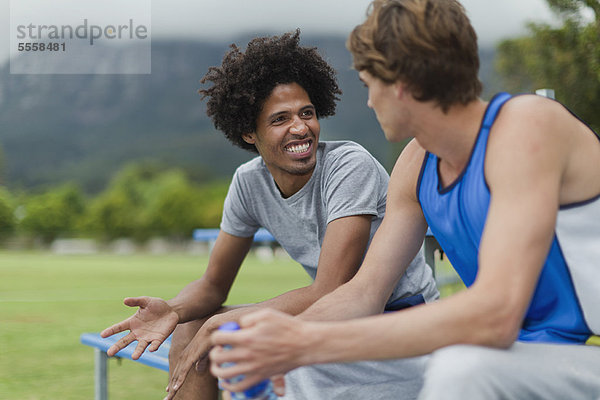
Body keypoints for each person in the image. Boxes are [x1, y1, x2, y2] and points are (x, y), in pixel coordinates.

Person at [209, 1, 600, 399]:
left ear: (400, 82)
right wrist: (291, 339)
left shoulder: (527, 126)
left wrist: (303, 342)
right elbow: (363, 293)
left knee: (465, 370)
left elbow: (495, 315)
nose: (369, 102)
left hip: (576, 353)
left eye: (368, 84)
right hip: (534, 358)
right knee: (300, 371)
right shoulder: (416, 163)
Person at [100, 30, 438, 400]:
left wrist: (230, 320)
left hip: (395, 319)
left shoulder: (348, 165)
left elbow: (331, 288)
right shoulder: (249, 183)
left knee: (228, 336)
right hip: (329, 315)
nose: (300, 128)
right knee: (192, 328)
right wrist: (174, 310)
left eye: (306, 113)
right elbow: (213, 285)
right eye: (280, 119)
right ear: (249, 132)